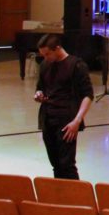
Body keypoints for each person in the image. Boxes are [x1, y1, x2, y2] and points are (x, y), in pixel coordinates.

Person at [34, 33, 94, 179]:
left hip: (67, 120)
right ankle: (60, 197)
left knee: (67, 165)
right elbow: (40, 87)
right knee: (56, 164)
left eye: (47, 54)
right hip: (48, 119)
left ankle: (75, 198)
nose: (45, 58)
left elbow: (88, 95)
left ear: (58, 48)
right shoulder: (45, 65)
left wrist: (77, 121)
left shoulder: (76, 65)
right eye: (43, 55)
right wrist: (38, 94)